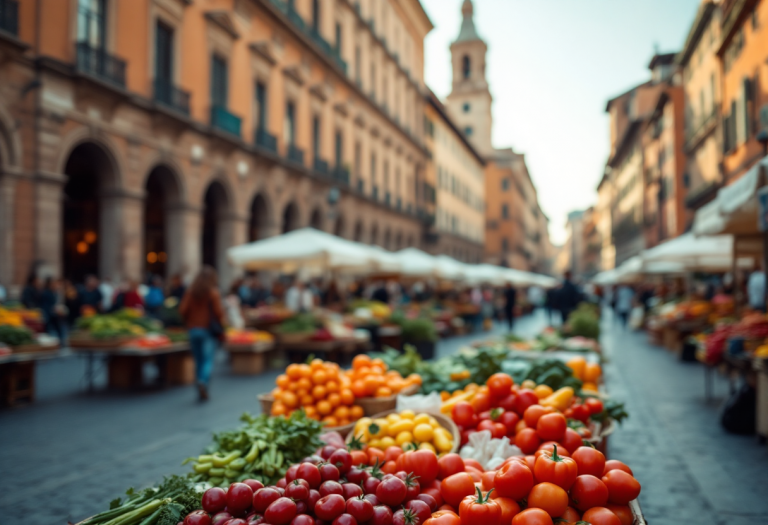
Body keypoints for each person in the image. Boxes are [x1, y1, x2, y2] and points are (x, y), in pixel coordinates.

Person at [179, 266, 225, 401]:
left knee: (198, 360)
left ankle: (199, 380)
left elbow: (182, 310)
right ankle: (203, 382)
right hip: (208, 330)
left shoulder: (190, 292)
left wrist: (190, 320)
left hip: (193, 329)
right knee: (207, 360)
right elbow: (219, 313)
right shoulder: (213, 293)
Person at [40, 277, 68, 344]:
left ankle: (61, 342)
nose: (56, 286)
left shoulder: (56, 293)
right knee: (51, 330)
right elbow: (45, 305)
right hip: (49, 315)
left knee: (60, 328)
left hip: (56, 315)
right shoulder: (46, 293)